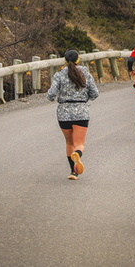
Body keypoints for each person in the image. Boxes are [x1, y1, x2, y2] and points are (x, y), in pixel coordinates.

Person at [46, 49, 99, 181]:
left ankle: (73, 172)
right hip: (81, 110)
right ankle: (77, 154)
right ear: (78, 60)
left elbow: (50, 94)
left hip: (64, 112)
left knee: (69, 143)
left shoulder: (59, 75)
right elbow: (95, 93)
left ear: (64, 61)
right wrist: (84, 97)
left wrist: (54, 97)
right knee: (79, 143)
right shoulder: (86, 74)